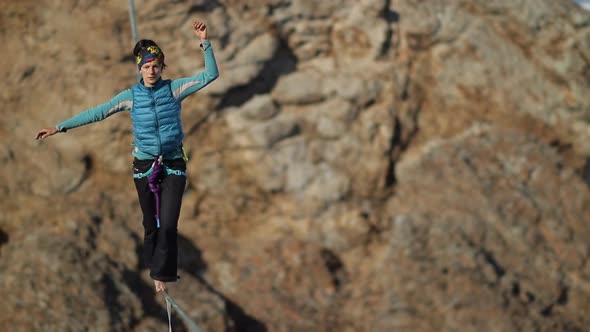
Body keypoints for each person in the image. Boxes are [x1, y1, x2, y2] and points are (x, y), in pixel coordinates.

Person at [36, 21, 219, 293]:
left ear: (162, 67)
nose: (152, 71)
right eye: (146, 66)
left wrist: (204, 43)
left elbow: (209, 76)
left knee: (168, 224)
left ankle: (163, 275)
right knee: (150, 224)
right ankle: (154, 269)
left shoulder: (174, 89)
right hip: (144, 165)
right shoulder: (130, 97)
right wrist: (60, 126)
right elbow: (98, 112)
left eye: (156, 66)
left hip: (173, 163)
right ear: (139, 69)